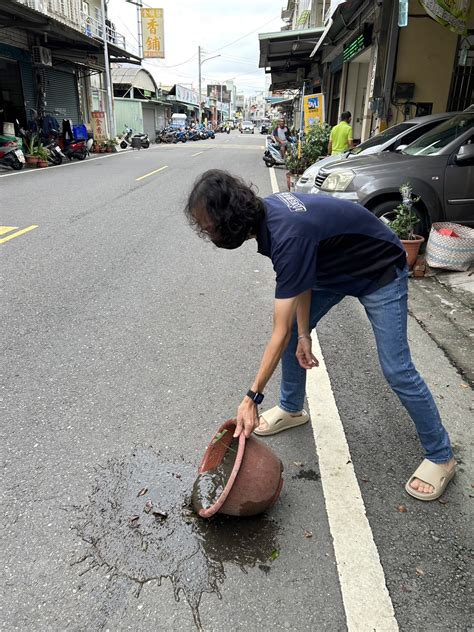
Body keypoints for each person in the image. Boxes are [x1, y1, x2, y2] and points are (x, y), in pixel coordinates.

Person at [184, 170, 456, 501]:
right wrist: (303, 334)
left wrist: (252, 398)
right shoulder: (265, 219)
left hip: (379, 269)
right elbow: (302, 279)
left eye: (209, 227)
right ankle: (292, 408)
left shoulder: (285, 235)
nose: (208, 233)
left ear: (230, 218)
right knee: (290, 341)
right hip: (332, 269)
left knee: (396, 369)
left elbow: (278, 328)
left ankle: (441, 455)